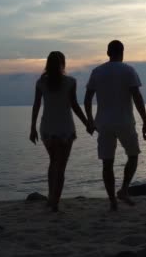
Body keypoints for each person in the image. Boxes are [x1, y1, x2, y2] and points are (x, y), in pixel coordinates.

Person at [85, 40, 146, 211]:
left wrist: (90, 120)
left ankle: (113, 201)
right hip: (125, 121)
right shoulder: (128, 70)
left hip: (104, 124)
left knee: (107, 163)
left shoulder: (97, 72)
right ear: (122, 52)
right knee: (133, 155)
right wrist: (145, 121)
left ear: (108, 52)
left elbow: (87, 98)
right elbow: (137, 97)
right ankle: (124, 189)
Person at [29, 51, 90, 212]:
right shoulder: (70, 82)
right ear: (63, 63)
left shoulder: (41, 82)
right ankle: (55, 201)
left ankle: (51, 197)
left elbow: (36, 106)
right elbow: (75, 106)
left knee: (53, 163)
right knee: (61, 166)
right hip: (65, 128)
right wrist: (87, 123)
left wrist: (32, 128)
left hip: (47, 128)